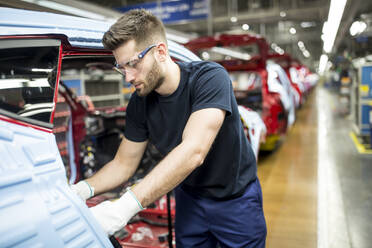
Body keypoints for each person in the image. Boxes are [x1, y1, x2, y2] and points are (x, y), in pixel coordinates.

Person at [71, 9, 267, 247]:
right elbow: (123, 164)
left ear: (161, 51)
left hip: (235, 202)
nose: (128, 77)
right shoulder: (139, 103)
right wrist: (80, 191)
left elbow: (194, 150)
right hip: (190, 199)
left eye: (133, 64)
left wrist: (124, 207)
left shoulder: (209, 79)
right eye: (121, 68)